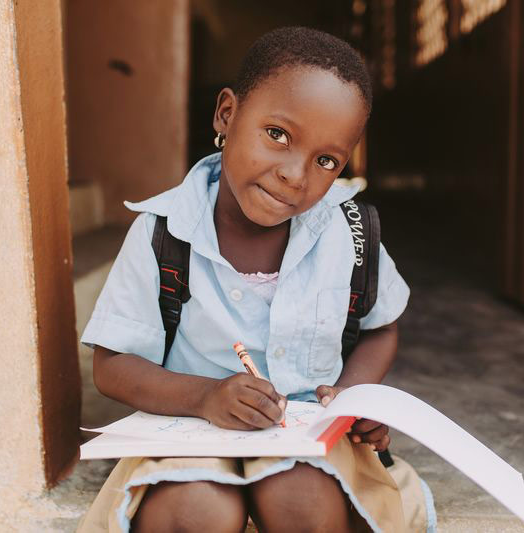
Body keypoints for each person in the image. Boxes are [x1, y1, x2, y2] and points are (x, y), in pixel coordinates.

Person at [77, 26, 434, 533]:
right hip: (190, 434)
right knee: (197, 509)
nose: (295, 174)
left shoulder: (350, 235)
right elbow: (112, 366)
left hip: (306, 441)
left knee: (302, 499)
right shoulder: (164, 233)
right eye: (278, 135)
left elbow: (381, 327)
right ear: (227, 114)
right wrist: (204, 396)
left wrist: (352, 401)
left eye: (326, 160)